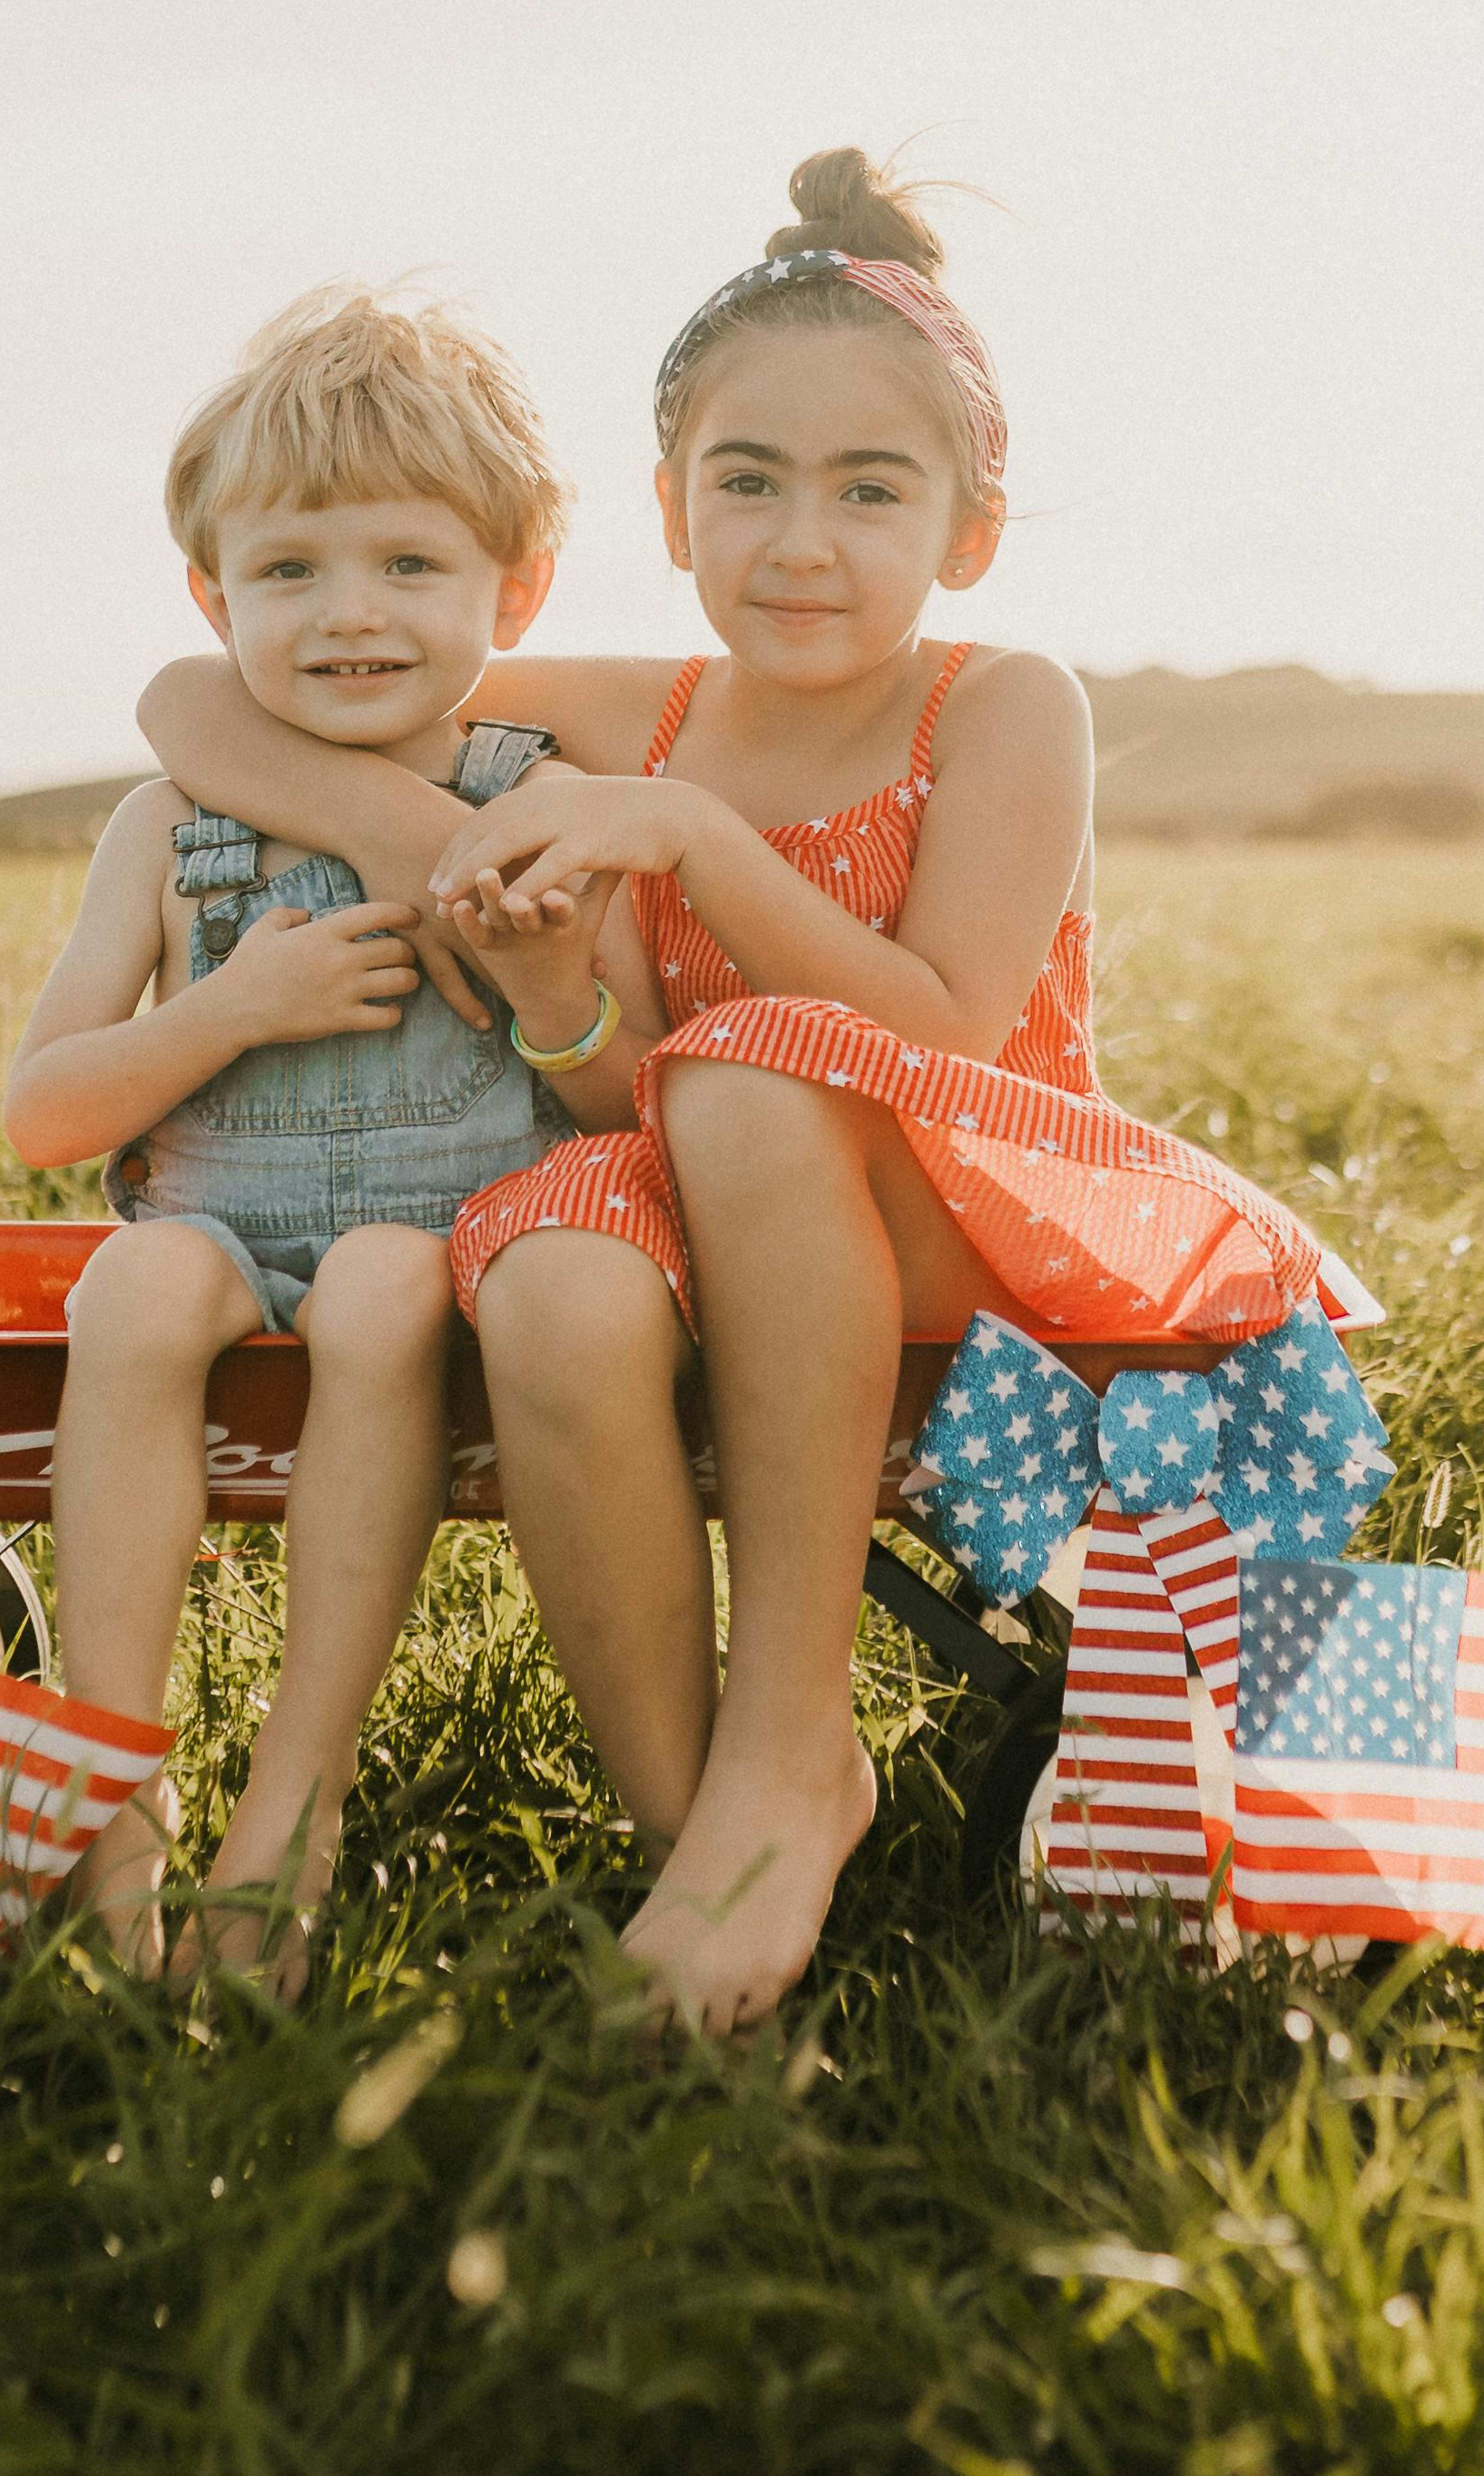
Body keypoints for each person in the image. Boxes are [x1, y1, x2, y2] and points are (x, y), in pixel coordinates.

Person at [140, 152, 1329, 2029]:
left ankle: (791, 1737)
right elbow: (195, 708)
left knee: (763, 1075)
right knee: (543, 1262)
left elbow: (935, 1028)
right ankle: (697, 1822)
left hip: (970, 1215)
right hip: (706, 1219)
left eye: (871, 489)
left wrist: (693, 839)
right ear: (671, 509)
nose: (800, 537)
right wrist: (504, 942)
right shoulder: (632, 700)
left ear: (968, 525)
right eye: (746, 480)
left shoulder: (1002, 703)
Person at [4, 285, 613, 1980]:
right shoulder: (166, 818)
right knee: (127, 1296)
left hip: (437, 1251)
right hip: (209, 1231)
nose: (348, 615)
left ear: (518, 587)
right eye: (289, 571)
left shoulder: (536, 794)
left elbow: (607, 1087)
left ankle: (298, 1797)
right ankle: (108, 1800)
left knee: (378, 1296)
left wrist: (538, 971)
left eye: (409, 566)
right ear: (213, 596)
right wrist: (224, 1015)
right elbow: (45, 1111)